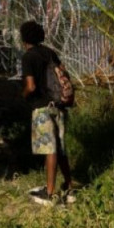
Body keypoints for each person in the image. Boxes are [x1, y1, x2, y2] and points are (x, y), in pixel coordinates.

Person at [20, 21, 74, 206]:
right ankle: (69, 185)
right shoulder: (49, 52)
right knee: (60, 148)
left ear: (23, 38)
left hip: (42, 108)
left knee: (49, 150)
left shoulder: (28, 57)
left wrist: (22, 96)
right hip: (58, 105)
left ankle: (49, 193)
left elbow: (31, 86)